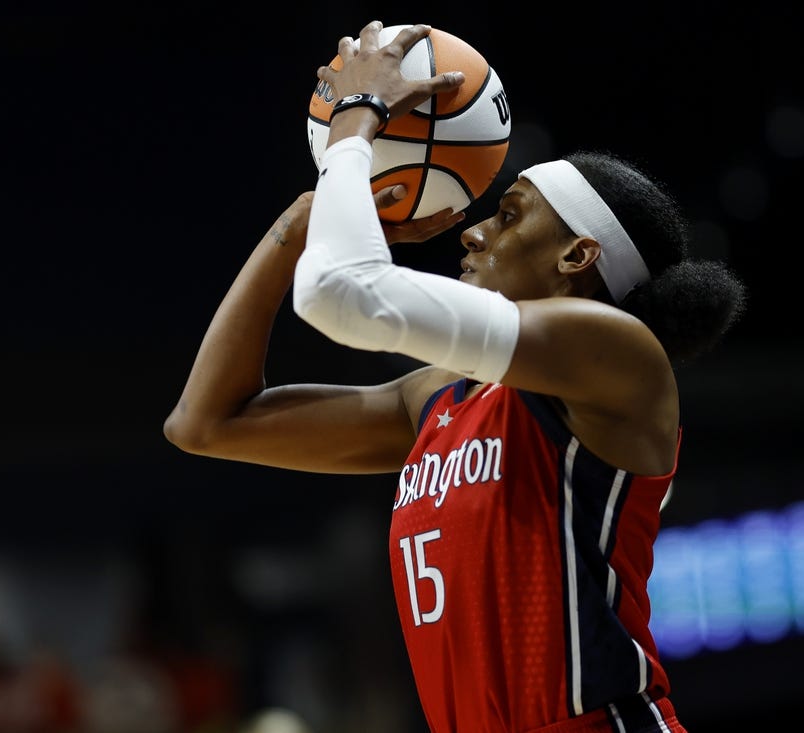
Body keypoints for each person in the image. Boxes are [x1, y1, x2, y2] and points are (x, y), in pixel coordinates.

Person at [163, 20, 746, 733]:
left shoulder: (619, 355)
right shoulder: (438, 394)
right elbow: (206, 422)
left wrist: (357, 122)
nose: (472, 230)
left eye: (509, 215)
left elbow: (344, 295)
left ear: (577, 254)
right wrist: (305, 216)